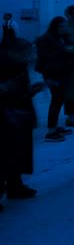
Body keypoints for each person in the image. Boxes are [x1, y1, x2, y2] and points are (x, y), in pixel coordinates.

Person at [0, 37, 45, 205]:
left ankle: (15, 186)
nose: (30, 56)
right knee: (7, 155)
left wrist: (32, 90)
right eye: (26, 52)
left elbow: (19, 91)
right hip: (9, 118)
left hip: (18, 116)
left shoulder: (19, 66)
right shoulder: (7, 67)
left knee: (16, 154)